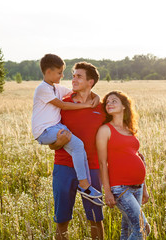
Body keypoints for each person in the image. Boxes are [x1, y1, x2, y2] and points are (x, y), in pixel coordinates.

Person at [31, 54, 102, 202]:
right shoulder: (43, 89)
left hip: (55, 127)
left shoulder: (56, 88)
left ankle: (85, 185)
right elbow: (63, 105)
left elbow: (77, 91)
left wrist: (96, 96)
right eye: (59, 72)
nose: (63, 76)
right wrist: (86, 105)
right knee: (78, 145)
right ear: (48, 72)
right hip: (44, 131)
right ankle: (84, 185)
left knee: (77, 149)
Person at [49, 62, 106, 239]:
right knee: (62, 220)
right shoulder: (62, 104)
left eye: (79, 76)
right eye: (73, 75)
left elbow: (113, 135)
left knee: (96, 219)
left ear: (91, 82)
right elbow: (52, 144)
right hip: (64, 167)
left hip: (93, 169)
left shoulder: (102, 107)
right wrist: (58, 142)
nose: (73, 79)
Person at [96, 91, 150, 239]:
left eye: (114, 101)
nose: (109, 104)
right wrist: (107, 191)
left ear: (124, 106)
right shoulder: (105, 130)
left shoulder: (129, 129)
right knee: (142, 228)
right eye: (107, 102)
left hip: (137, 186)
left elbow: (138, 157)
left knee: (126, 230)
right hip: (120, 187)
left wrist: (144, 188)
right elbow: (102, 163)